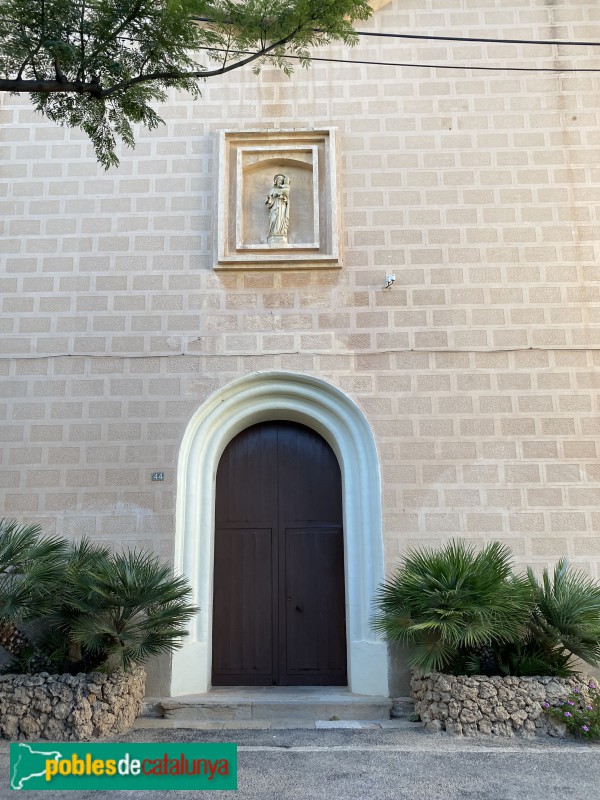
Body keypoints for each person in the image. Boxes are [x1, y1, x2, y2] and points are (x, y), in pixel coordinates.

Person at [265, 174, 290, 243]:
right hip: (275, 207)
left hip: (282, 206)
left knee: (281, 218)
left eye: (281, 181)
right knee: (273, 219)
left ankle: (281, 232)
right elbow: (269, 200)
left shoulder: (284, 190)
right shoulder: (273, 189)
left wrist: (283, 197)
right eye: (279, 180)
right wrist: (272, 197)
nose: (280, 182)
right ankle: (273, 233)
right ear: (276, 181)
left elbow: (287, 199)